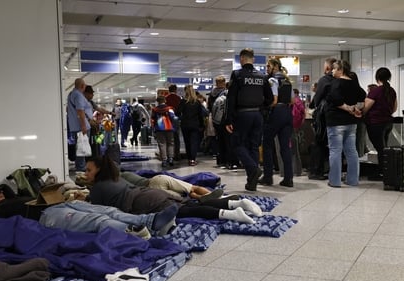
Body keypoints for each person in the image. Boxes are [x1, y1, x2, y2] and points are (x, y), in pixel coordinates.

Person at [85, 156, 263, 224]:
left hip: (144, 202)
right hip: (151, 194)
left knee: (186, 210)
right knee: (191, 203)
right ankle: (235, 203)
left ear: (100, 170)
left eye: (88, 170)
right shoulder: (116, 178)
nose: (86, 174)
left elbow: (98, 212)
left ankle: (232, 213)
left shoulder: (98, 188)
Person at [0, 179, 178, 236]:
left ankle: (149, 221)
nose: (0, 193)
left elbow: (10, 194)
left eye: (0, 190)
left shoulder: (9, 198)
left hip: (57, 205)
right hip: (45, 218)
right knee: (98, 221)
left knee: (107, 211)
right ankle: (137, 234)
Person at [225, 48, 274, 191]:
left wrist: (228, 120)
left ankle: (253, 169)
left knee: (237, 144)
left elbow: (231, 98)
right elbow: (270, 98)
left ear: (241, 59)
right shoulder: (262, 77)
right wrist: (261, 108)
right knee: (253, 146)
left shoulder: (237, 75)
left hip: (242, 114)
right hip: (257, 115)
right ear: (253, 59)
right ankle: (251, 182)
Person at [325, 60, 366, 187]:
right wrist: (356, 109)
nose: (332, 71)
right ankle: (353, 180)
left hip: (336, 121)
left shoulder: (336, 83)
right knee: (351, 151)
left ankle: (335, 181)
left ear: (341, 70)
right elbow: (363, 96)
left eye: (334, 69)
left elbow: (335, 99)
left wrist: (348, 108)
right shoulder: (354, 84)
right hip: (351, 122)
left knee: (335, 151)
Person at [259, 58, 294, 187]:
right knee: (285, 147)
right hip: (287, 113)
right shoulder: (287, 81)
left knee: (267, 144)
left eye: (268, 66)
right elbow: (292, 101)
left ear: (275, 66)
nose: (266, 68)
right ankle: (288, 178)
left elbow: (274, 100)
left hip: (276, 113)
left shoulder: (272, 80)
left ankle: (268, 177)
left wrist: (264, 106)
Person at [363, 67, 397, 181]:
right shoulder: (391, 90)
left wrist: (361, 113)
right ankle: (385, 171)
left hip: (375, 123)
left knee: (381, 149)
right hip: (388, 122)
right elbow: (394, 108)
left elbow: (366, 107)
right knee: (383, 147)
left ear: (377, 77)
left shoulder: (375, 91)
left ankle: (382, 172)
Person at [308, 58, 337, 180]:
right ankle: (334, 171)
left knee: (319, 143)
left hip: (324, 118)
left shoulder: (324, 80)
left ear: (327, 68)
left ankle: (317, 171)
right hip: (339, 117)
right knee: (336, 146)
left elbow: (317, 99)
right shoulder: (340, 80)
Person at [118, 171, 224, 202]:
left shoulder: (119, 180)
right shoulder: (127, 173)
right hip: (159, 178)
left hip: (151, 189)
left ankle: (200, 198)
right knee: (193, 187)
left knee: (182, 199)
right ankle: (211, 195)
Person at [66, 78, 91, 172]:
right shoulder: (78, 95)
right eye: (84, 85)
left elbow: (68, 109)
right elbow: (80, 111)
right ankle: (81, 167)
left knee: (80, 146)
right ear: (82, 86)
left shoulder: (71, 94)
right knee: (82, 147)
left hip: (75, 126)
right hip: (81, 126)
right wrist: (83, 126)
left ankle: (79, 166)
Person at [178, 85, 205, 166]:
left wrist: (182, 117)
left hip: (185, 124)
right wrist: (202, 125)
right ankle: (193, 159)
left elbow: (177, 112)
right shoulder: (197, 102)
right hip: (195, 124)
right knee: (194, 142)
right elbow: (201, 115)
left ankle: (189, 158)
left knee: (187, 142)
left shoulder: (183, 101)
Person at [151, 96, 177, 168]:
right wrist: (175, 127)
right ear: (165, 101)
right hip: (169, 128)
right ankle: (171, 159)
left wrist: (153, 129)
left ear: (158, 102)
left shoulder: (154, 110)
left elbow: (153, 120)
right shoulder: (169, 109)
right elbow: (173, 118)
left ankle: (164, 161)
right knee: (170, 144)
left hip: (159, 129)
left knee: (162, 144)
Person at [165, 84, 182, 160]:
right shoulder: (179, 98)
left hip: (168, 119)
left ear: (169, 90)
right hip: (176, 119)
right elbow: (181, 109)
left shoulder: (166, 98)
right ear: (176, 90)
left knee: (168, 138)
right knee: (176, 137)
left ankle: (169, 155)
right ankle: (177, 154)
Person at [291, 88, 306, 176]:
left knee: (291, 148)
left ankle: (294, 170)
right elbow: (303, 113)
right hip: (297, 126)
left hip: (290, 125)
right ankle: (297, 170)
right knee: (295, 148)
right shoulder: (299, 101)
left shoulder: (292, 101)